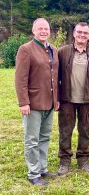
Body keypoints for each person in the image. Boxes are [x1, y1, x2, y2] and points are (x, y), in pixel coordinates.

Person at [15, 18, 59, 185]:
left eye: (46, 28)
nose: (43, 31)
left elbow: (55, 77)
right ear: (33, 31)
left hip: (49, 102)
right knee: (32, 139)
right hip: (33, 103)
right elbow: (20, 79)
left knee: (45, 137)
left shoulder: (53, 49)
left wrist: (57, 99)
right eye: (40, 28)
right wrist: (23, 102)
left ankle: (42, 168)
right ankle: (33, 173)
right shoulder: (26, 49)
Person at [57, 22, 89, 175]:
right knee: (65, 131)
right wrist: (56, 98)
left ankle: (83, 160)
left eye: (85, 33)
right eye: (79, 32)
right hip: (67, 100)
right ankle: (65, 161)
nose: (82, 35)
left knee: (85, 131)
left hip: (88, 101)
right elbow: (55, 78)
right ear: (74, 33)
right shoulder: (62, 52)